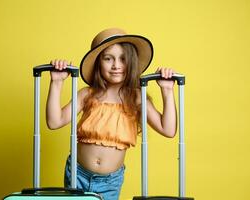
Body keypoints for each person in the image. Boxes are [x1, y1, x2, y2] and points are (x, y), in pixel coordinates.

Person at [46, 28, 177, 200]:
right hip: (77, 174)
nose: (116, 65)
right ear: (98, 63)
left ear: (131, 62)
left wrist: (167, 91)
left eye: (123, 59)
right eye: (108, 59)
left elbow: (168, 129)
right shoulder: (88, 94)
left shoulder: (136, 97)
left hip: (110, 181)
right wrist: (56, 82)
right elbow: (54, 122)